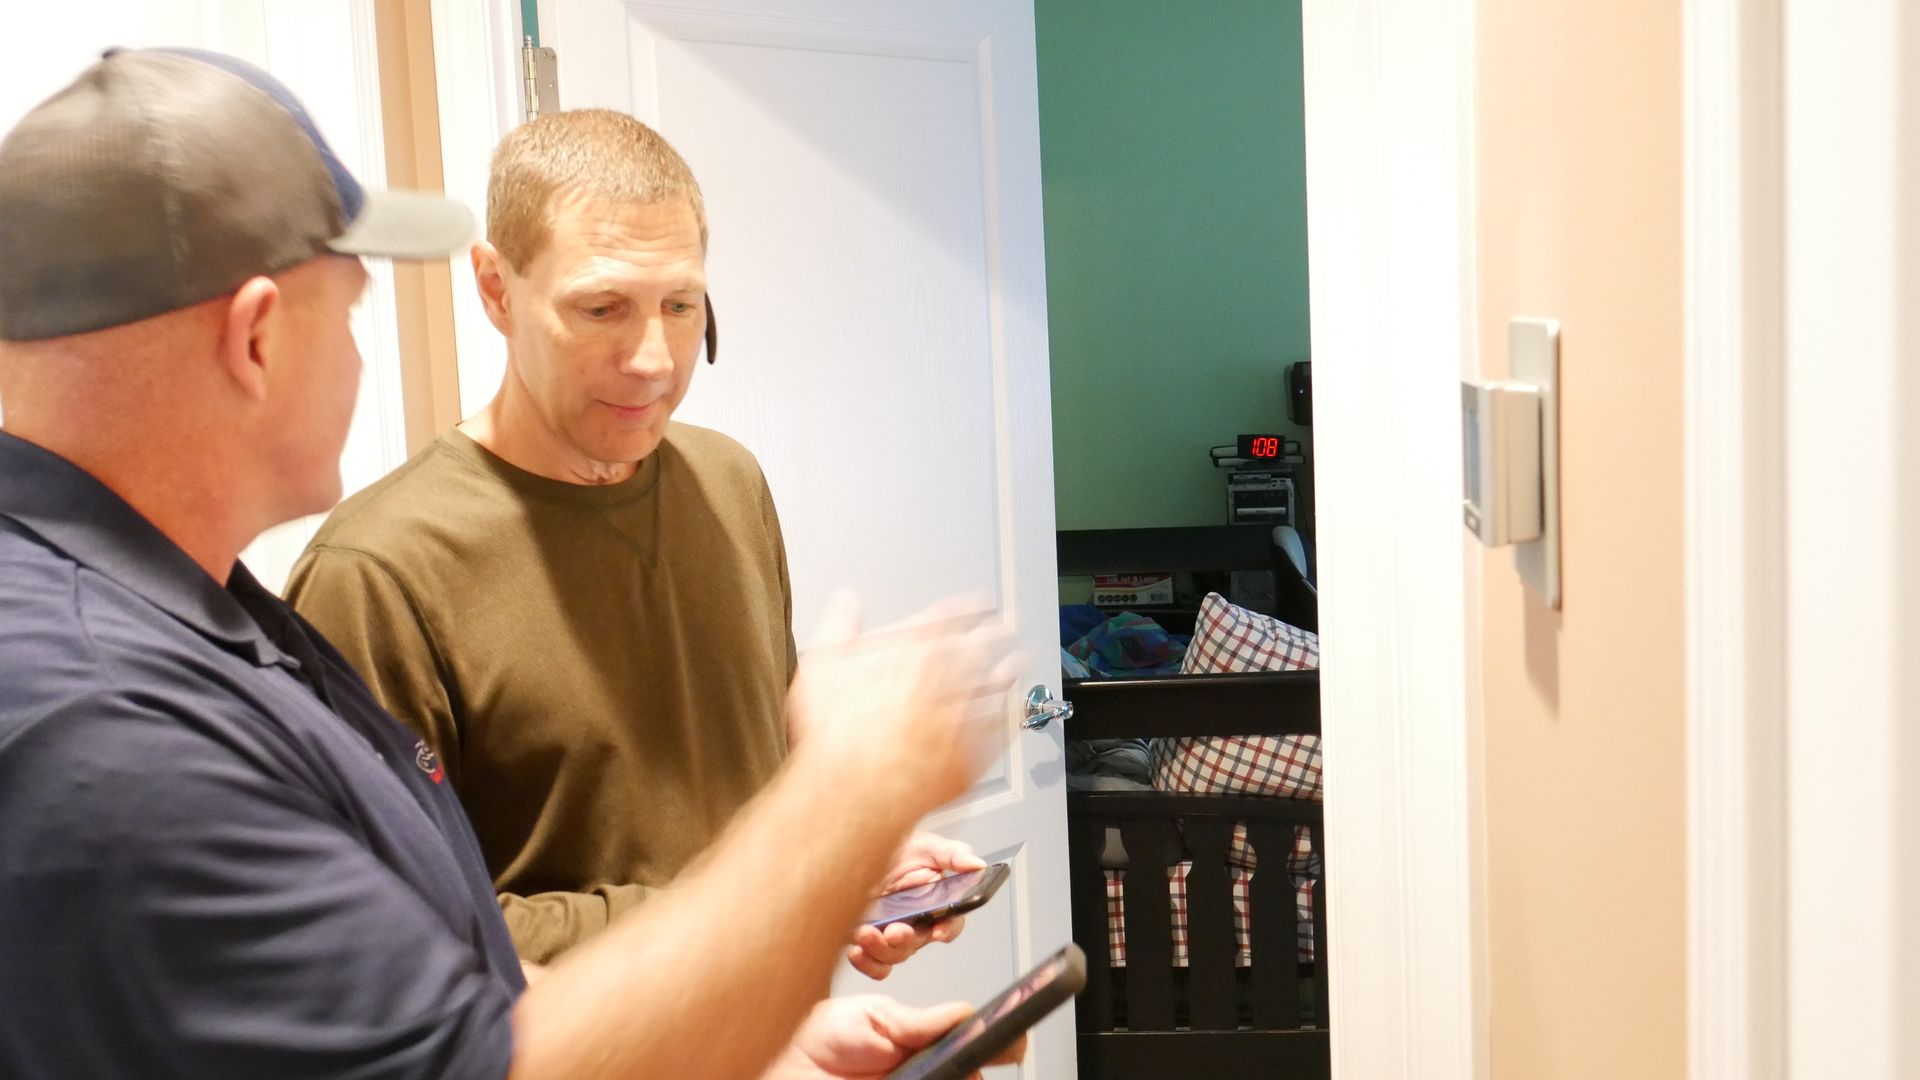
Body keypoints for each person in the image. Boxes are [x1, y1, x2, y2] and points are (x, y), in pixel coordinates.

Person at [0, 47, 1021, 1079]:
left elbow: (433, 977)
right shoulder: (107, 724)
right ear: (258, 337)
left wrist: (784, 1010)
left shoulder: (200, 617)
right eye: (353, 313)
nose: (654, 358)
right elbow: (472, 1053)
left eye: (680, 307)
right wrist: (844, 811)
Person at [284, 108, 972, 976]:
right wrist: (769, 899)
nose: (653, 358)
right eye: (602, 307)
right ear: (497, 288)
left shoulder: (730, 483)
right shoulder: (377, 573)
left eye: (681, 305)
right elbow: (396, 938)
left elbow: (758, 773)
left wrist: (860, 869)